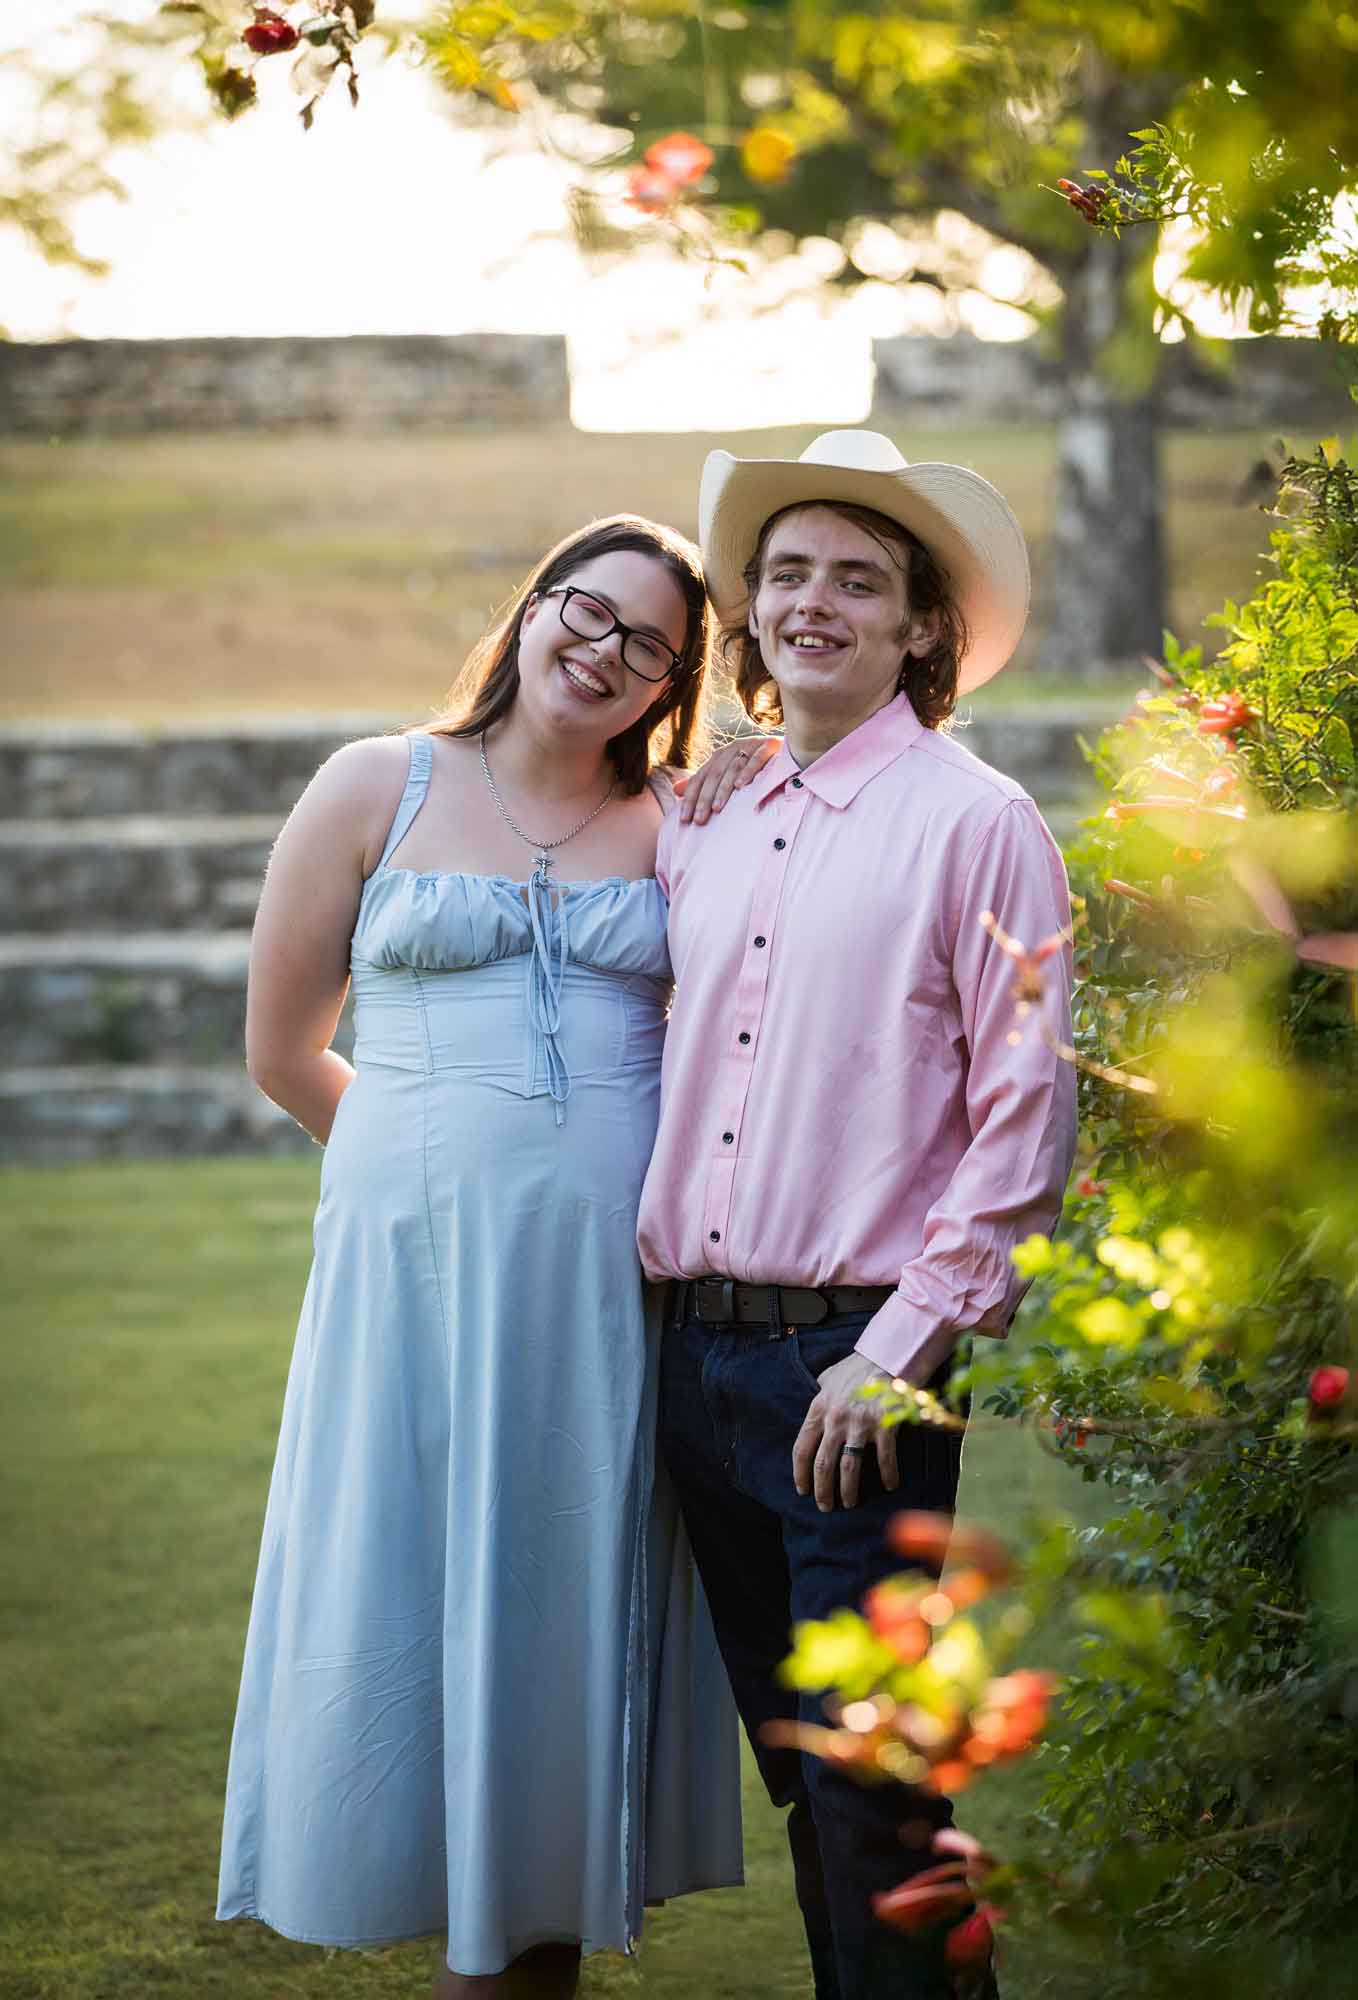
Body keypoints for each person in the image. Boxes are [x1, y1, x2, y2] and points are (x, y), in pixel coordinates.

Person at [216, 515, 764, 1998]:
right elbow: (283, 1054)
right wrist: (423, 1183)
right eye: (584, 614)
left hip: (603, 1304)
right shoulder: (371, 785)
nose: (603, 653)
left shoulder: (682, 828)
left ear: (673, 680)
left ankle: (527, 1943)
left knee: (561, 1610)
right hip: (405, 1295)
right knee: (406, 1599)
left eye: (647, 643)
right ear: (531, 614)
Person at [638, 431, 1080, 1999]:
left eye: (861, 580)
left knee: (874, 1789)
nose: (816, 600)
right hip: (690, 1366)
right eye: (789, 574)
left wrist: (892, 1354)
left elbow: (1026, 1123)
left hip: (861, 1373)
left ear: (916, 632)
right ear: (748, 614)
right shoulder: (701, 817)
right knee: (805, 1784)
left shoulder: (978, 824)